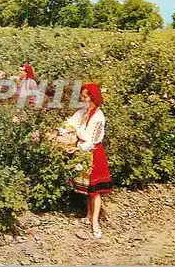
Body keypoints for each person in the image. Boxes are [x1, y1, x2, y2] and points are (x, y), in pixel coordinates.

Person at [52, 82, 112, 239]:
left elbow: (94, 140)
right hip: (82, 151)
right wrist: (57, 130)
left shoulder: (99, 117)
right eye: (82, 96)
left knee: (95, 191)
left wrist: (78, 148)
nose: (82, 98)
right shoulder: (82, 111)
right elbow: (69, 123)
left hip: (93, 153)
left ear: (92, 98)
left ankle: (95, 223)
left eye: (85, 96)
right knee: (88, 190)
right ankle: (88, 215)